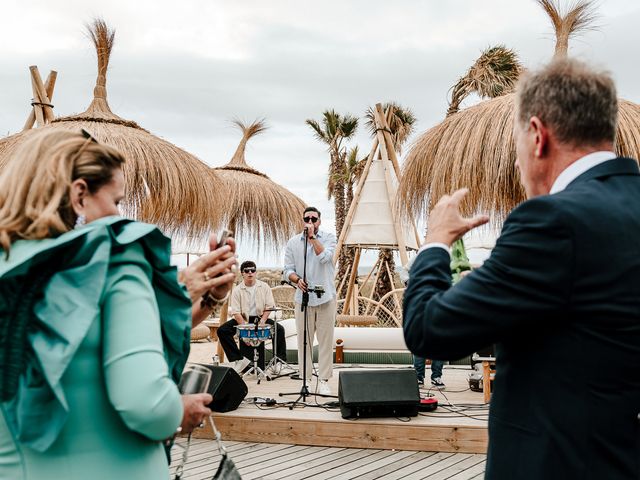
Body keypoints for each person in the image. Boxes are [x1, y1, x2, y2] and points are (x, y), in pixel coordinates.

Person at [403, 59, 640, 479]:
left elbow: (429, 329)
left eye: (515, 147)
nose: (516, 164)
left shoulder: (551, 223)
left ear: (537, 135)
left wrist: (435, 243)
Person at [0, 130, 233, 479]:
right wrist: (177, 410)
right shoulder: (116, 258)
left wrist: (200, 297)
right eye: (117, 200)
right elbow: (147, 405)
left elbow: (78, 336)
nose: (119, 214)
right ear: (80, 195)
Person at [283, 206, 336, 395]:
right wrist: (297, 280)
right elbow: (287, 269)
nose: (311, 222)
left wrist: (312, 238)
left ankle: (323, 380)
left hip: (325, 298)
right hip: (303, 299)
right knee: (303, 341)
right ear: (303, 220)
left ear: (319, 221)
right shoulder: (293, 242)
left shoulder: (329, 238)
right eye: (307, 219)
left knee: (325, 341)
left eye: (314, 219)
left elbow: (325, 258)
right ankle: (305, 379)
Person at [217, 260, 287, 373]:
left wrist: (263, 321)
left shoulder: (264, 287)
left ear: (255, 272)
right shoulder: (237, 290)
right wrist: (245, 329)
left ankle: (279, 362)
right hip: (243, 319)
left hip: (260, 317)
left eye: (252, 270)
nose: (250, 273)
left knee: (279, 329)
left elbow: (269, 306)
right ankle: (238, 360)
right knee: (222, 331)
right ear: (242, 273)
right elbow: (236, 312)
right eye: (247, 270)